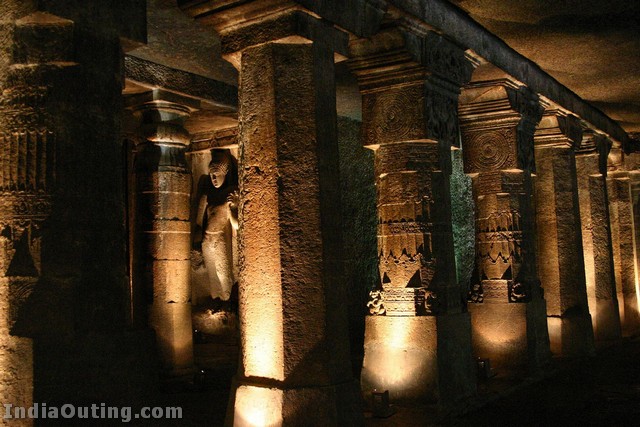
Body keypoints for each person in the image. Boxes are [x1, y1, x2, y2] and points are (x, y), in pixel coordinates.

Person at [193, 150, 238, 302]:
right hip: (207, 238)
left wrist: (234, 206)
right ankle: (215, 300)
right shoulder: (208, 194)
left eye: (217, 175)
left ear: (225, 174)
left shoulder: (230, 193)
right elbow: (199, 220)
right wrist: (197, 238)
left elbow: (236, 225)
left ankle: (227, 300)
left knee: (222, 271)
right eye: (212, 175)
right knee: (212, 273)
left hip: (220, 237)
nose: (213, 179)